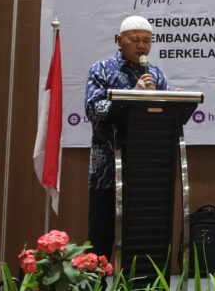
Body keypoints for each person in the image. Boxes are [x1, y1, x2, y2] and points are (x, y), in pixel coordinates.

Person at [85, 15, 168, 257]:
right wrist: (133, 94)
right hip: (107, 169)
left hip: (145, 170)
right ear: (119, 40)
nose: (142, 46)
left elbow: (163, 119)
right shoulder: (101, 69)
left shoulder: (156, 75)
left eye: (147, 41)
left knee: (141, 237)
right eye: (135, 40)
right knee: (101, 237)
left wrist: (165, 103)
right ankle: (98, 279)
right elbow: (93, 109)